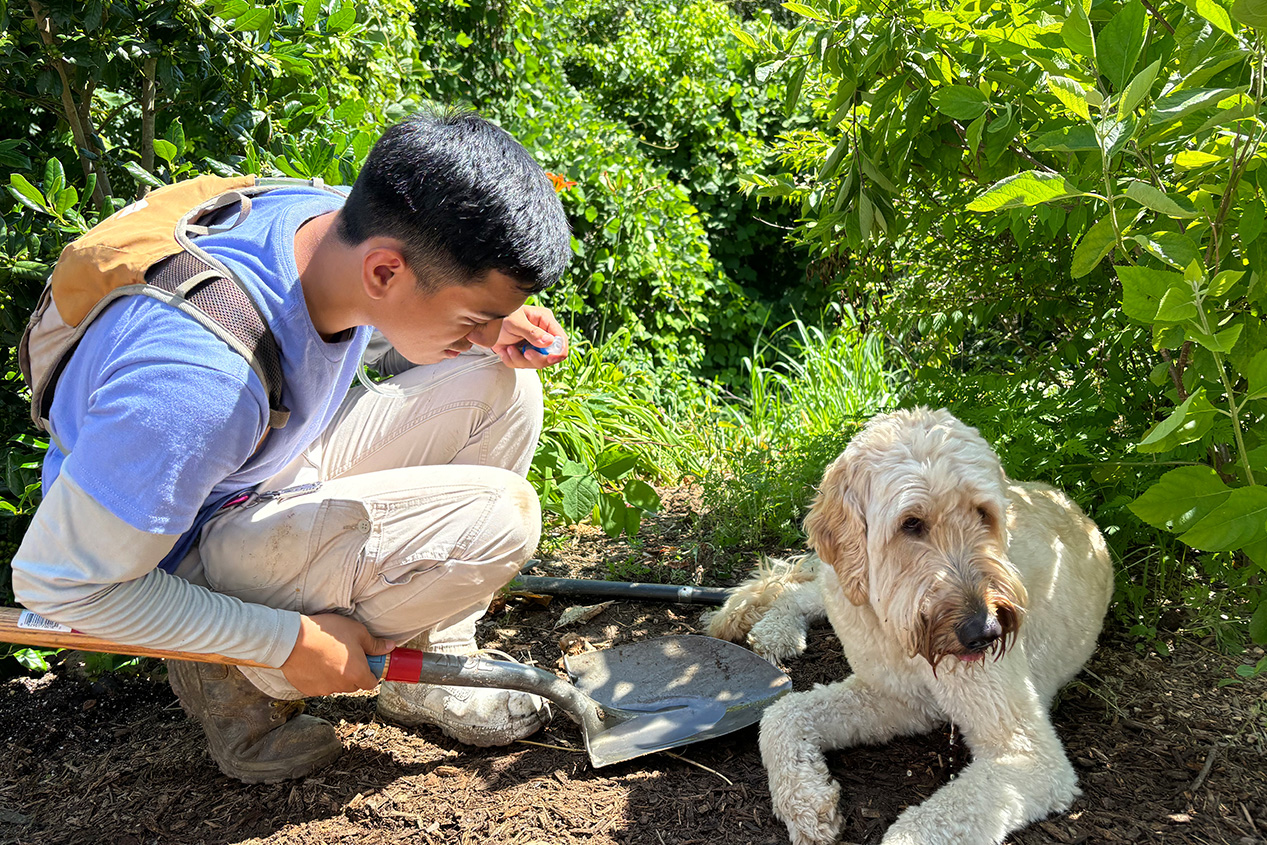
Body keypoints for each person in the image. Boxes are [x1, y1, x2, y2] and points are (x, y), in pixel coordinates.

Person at [10, 109, 574, 783]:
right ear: (385, 271)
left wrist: (488, 325)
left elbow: (363, 337)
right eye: (473, 315)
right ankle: (230, 674)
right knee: (499, 517)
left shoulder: (332, 225)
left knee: (503, 384)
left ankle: (429, 659)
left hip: (258, 469)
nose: (483, 330)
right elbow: (61, 586)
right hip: (168, 545)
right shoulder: (195, 382)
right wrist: (287, 640)